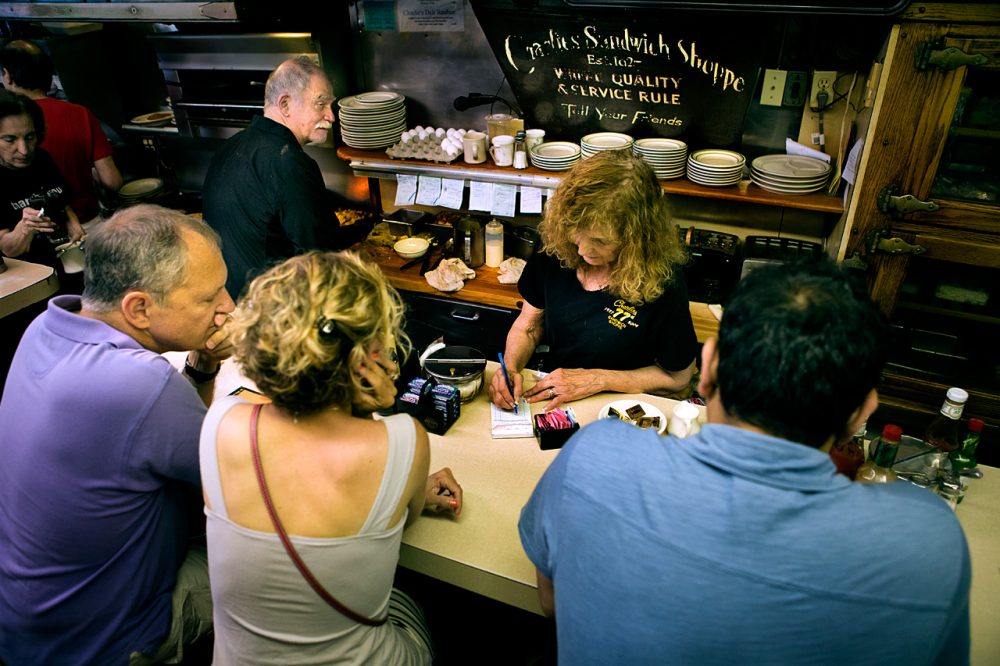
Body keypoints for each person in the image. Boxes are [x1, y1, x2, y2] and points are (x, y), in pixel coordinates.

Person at [519, 259, 970, 665]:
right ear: (862, 414)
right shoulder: (931, 543)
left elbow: (553, 603)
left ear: (709, 367)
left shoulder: (594, 455)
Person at [0, 204, 235, 664]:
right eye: (210, 298)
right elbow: (246, 484)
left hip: (31, 626)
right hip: (105, 642)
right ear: (139, 308)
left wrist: (204, 365)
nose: (227, 305)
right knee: (292, 567)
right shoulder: (141, 382)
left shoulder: (42, 327)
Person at [200, 250, 461, 664]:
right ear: (370, 353)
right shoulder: (403, 441)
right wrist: (378, 407)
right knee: (414, 607)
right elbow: (401, 522)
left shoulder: (220, 421)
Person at [489, 149, 697, 411]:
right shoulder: (555, 244)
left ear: (635, 239)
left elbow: (678, 378)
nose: (582, 251)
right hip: (558, 395)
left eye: (600, 241)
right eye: (577, 234)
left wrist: (597, 379)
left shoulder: (663, 278)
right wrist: (510, 368)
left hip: (622, 406)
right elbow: (528, 325)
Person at [202, 56, 373, 299]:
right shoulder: (289, 161)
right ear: (285, 105)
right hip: (272, 310)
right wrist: (368, 225)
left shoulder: (230, 146)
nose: (331, 116)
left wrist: (358, 228)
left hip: (231, 303)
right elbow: (319, 253)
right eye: (320, 104)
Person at [1, 40, 123, 223]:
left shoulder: (6, 126)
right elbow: (112, 181)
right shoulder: (79, 114)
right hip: (87, 224)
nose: (24, 149)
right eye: (11, 139)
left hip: (37, 234)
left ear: (8, 76)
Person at [0, 88, 84, 274]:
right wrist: (24, 229)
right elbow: (7, 248)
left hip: (66, 259)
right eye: (10, 140)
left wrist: (72, 222)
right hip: (30, 276)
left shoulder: (41, 159)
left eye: (30, 137)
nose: (24, 150)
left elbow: (62, 201)